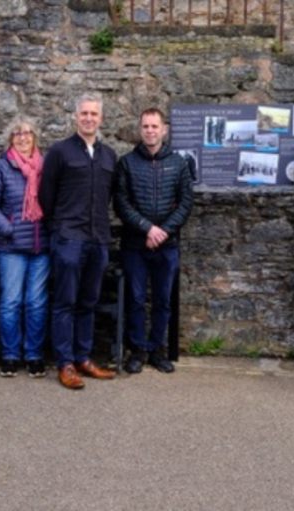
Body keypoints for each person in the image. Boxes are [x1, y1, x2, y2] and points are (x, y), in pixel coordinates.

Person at [39, 92, 117, 389]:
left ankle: (83, 358)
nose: (88, 118)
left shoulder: (109, 155)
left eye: (93, 114)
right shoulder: (60, 152)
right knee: (65, 302)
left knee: (89, 301)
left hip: (98, 239)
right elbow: (47, 196)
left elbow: (109, 195)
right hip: (69, 238)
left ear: (101, 118)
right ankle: (65, 363)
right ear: (75, 117)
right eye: (84, 113)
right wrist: (59, 230)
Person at [114, 107, 195, 374]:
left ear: (164, 129)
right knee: (135, 299)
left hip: (167, 245)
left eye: (154, 126)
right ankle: (137, 349)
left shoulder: (178, 163)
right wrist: (147, 229)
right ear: (140, 130)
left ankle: (157, 350)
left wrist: (163, 232)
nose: (150, 131)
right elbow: (122, 203)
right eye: (146, 126)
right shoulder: (127, 163)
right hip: (135, 245)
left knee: (162, 300)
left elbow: (185, 203)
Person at [0, 117, 50, 378]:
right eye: (17, 134)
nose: (23, 138)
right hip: (10, 247)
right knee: (11, 302)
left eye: (28, 133)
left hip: (40, 246)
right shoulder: (3, 167)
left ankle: (33, 355)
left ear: (35, 137)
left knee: (36, 302)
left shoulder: (46, 167)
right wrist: (8, 229)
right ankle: (10, 355)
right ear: (11, 139)